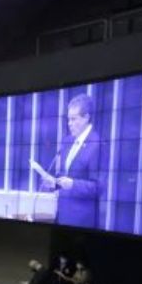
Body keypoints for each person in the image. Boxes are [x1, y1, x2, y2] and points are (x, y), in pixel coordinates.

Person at [39, 93, 102, 229]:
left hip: (81, 221)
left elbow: (98, 187)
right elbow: (65, 175)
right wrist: (54, 183)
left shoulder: (97, 144)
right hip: (62, 215)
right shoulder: (68, 141)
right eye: (68, 120)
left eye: (74, 119)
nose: (70, 124)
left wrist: (73, 185)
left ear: (86, 117)